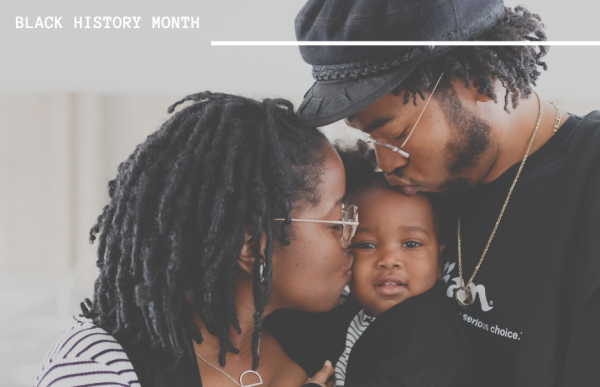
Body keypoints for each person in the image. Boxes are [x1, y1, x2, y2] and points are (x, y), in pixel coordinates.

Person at [283, 0, 600, 386]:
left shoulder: (587, 184)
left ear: (478, 80)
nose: (386, 163)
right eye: (371, 138)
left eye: (397, 134)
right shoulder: (410, 192)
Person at [34, 92, 356, 387]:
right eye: (337, 222)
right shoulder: (98, 364)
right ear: (252, 246)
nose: (352, 238)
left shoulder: (347, 336)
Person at [314, 145, 471, 387]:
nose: (389, 260)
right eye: (366, 245)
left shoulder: (429, 326)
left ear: (440, 262)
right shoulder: (357, 310)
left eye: (410, 243)